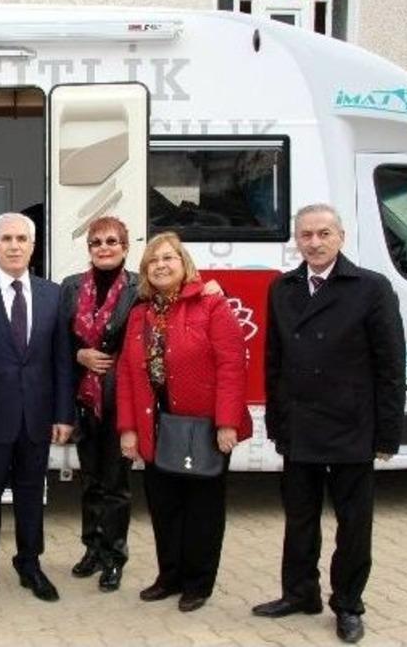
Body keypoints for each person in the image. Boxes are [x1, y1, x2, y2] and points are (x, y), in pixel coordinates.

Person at [252, 204, 405, 644]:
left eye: (323, 233)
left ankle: (349, 604)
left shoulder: (371, 288)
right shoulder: (283, 288)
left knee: (353, 524)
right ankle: (300, 593)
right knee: (300, 518)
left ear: (340, 236)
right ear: (296, 240)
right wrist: (277, 422)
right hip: (300, 425)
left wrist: (387, 433)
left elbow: (391, 366)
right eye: (306, 235)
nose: (315, 243)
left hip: (351, 425)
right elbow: (274, 361)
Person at [116, 231, 250, 613]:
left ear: (183, 263)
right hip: (157, 425)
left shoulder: (211, 305)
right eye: (153, 261)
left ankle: (197, 583)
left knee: (202, 509)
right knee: (164, 506)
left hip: (204, 427)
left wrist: (227, 422)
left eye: (168, 258)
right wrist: (128, 429)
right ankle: (169, 576)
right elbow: (127, 373)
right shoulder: (140, 314)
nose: (160, 265)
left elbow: (231, 366)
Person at [0, 212, 75, 606]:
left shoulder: (54, 295)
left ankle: (30, 565)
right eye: (6, 239)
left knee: (31, 496)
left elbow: (62, 361)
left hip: (37, 419)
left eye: (22, 238)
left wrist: (63, 414)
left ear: (33, 246)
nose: (14, 245)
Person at [59, 216, 139, 592]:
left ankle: (114, 557)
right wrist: (79, 355)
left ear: (125, 246)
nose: (104, 248)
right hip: (85, 399)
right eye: (97, 242)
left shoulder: (140, 287)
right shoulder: (71, 286)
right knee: (90, 481)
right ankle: (92, 548)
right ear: (89, 248)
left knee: (116, 485)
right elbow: (58, 339)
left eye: (111, 241)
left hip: (122, 400)